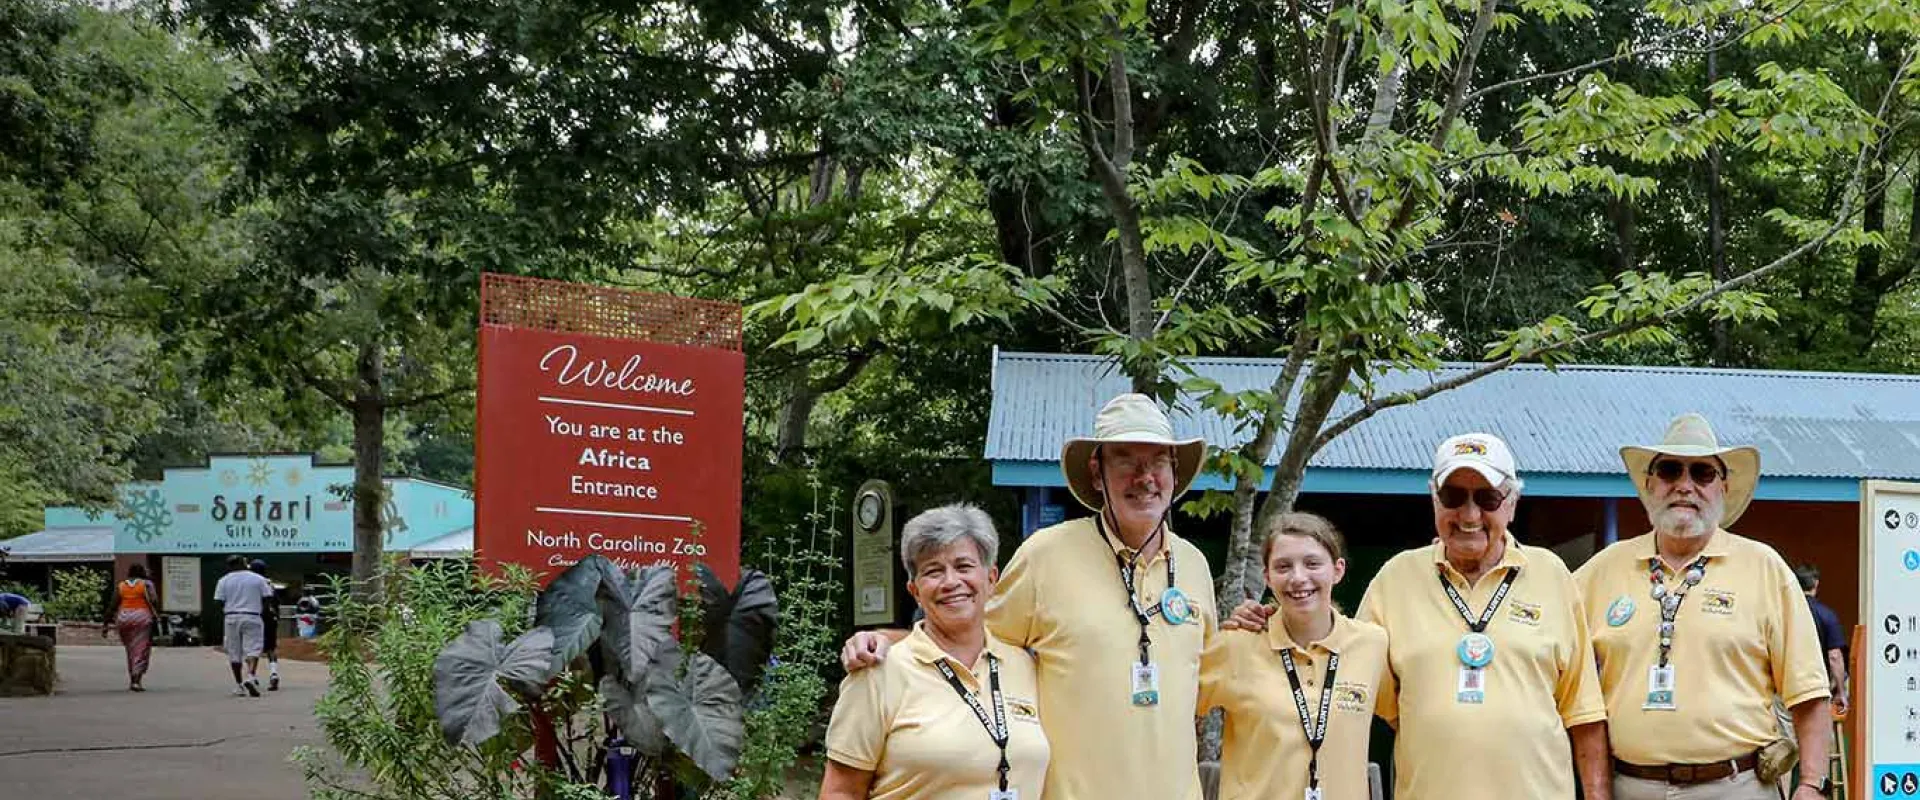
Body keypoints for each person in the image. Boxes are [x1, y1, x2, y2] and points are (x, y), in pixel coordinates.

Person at [841, 393, 1217, 799]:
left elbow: (1214, 671)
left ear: (1174, 472)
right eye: (1126, 460)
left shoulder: (1194, 566)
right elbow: (966, 632)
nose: (1144, 477)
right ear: (1097, 473)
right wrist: (888, 640)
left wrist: (1263, 620)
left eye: (1158, 461)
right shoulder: (1046, 555)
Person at [1229, 432, 1611, 800]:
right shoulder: (1396, 578)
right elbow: (1343, 673)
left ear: (1511, 503)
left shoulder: (1553, 575)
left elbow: (1584, 712)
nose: (1470, 513)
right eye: (1453, 496)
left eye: (1488, 498)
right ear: (1434, 499)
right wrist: (1266, 624)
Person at [1574, 414, 1833, 800]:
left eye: (1702, 473)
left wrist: (1811, 785)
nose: (1684, 485)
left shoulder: (1763, 567)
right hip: (1629, 786)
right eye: (1669, 470)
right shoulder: (1601, 570)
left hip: (1737, 785)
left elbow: (1809, 693)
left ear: (1723, 487)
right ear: (1649, 484)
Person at [820, 504, 1049, 800]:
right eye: (933, 571)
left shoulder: (1024, 666)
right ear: (914, 590)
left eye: (964, 566)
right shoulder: (879, 672)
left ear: (991, 579)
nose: (951, 582)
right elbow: (841, 791)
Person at [1198, 512, 1388, 800]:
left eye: (1312, 563)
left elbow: (1409, 716)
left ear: (1338, 570)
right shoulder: (1235, 646)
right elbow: (1170, 714)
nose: (1298, 578)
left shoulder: (1372, 645)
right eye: (1283, 566)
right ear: (1267, 577)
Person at [212, 555, 275, 697]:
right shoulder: (258, 579)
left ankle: (239, 685)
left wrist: (229, 608)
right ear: (244, 563)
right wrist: (261, 610)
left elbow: (218, 601)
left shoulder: (223, 581)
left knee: (234, 652)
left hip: (231, 616)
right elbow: (268, 597)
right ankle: (251, 676)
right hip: (252, 615)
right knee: (253, 649)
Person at [1796, 564, 1848, 716]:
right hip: (1816, 686)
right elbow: (1835, 657)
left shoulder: (1782, 613)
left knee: (1787, 738)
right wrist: (1841, 691)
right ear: (1816, 584)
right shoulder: (1827, 615)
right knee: (1816, 737)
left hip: (1786, 687)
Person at [101, 563, 160, 691]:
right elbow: (154, 600)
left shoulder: (121, 585)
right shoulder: (147, 584)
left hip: (124, 618)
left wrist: (105, 624)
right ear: (142, 572)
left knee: (130, 649)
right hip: (142, 618)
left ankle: (132, 678)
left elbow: (113, 604)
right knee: (140, 649)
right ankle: (136, 680)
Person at [249, 559, 283, 691]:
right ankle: (273, 673)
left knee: (253, 648)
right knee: (271, 648)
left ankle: (251, 675)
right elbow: (276, 602)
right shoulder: (270, 583)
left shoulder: (251, 583)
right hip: (270, 618)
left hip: (256, 616)